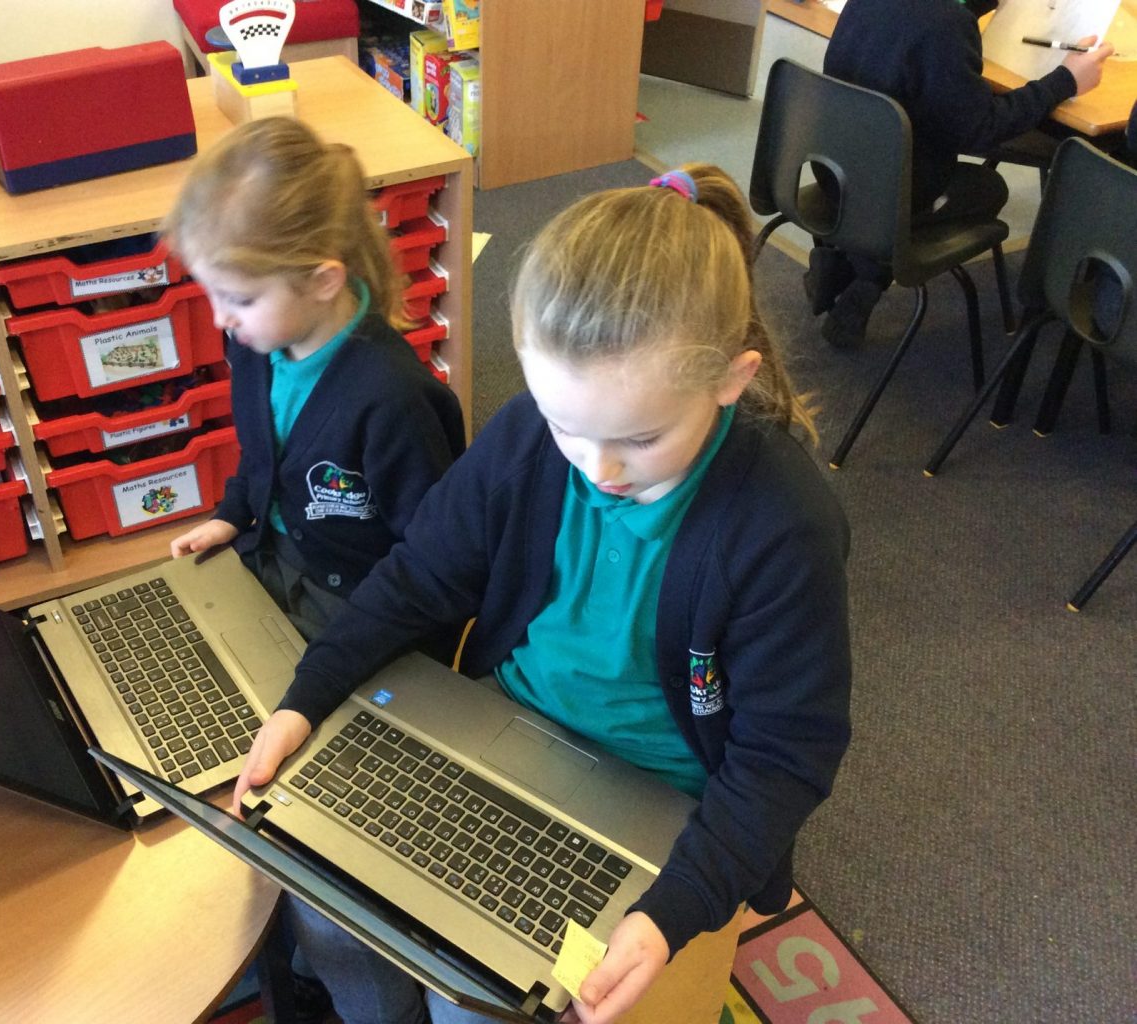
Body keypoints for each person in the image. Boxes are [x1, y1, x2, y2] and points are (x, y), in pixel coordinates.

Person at [231, 165, 853, 1024]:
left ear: (730, 378)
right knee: (324, 887)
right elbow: (418, 576)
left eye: (640, 439)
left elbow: (783, 757)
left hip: (662, 800)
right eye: (568, 428)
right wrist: (307, 697)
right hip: (510, 732)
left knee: (478, 1002)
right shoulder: (530, 436)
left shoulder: (780, 525)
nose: (598, 469)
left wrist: (668, 916)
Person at [164, 117, 466, 642]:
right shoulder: (257, 344)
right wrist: (231, 515)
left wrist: (342, 655)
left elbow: (432, 556)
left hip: (366, 603)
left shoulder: (393, 399)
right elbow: (263, 455)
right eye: (211, 292)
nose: (219, 318)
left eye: (239, 298)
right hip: (277, 554)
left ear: (324, 281)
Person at [812, 0, 1115, 348]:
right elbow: (982, 129)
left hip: (834, 169)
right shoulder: (947, 26)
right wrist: (1065, 81)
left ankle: (843, 261)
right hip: (888, 192)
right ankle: (868, 272)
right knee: (988, 189)